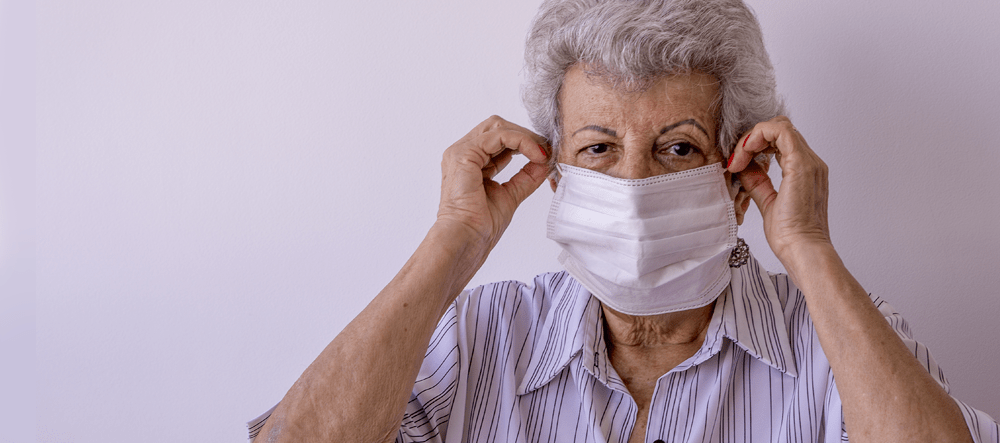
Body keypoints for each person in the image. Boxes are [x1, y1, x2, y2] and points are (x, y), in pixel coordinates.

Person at [247, 0, 999, 442]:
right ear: (554, 177)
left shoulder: (838, 346)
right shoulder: (481, 337)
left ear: (740, 178)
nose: (634, 185)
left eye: (678, 147)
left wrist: (806, 247)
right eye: (599, 148)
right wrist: (454, 238)